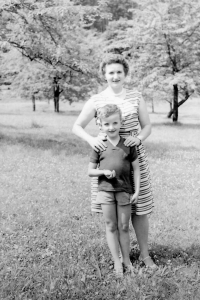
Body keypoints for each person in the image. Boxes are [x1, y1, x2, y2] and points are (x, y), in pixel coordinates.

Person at [72, 52, 156, 268]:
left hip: (133, 158)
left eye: (119, 72)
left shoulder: (136, 96)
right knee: (113, 214)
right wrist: (92, 141)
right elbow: (76, 126)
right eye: (111, 72)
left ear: (125, 73)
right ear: (104, 74)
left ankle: (145, 255)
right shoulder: (97, 99)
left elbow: (147, 126)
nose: (115, 76)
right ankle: (119, 259)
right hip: (108, 160)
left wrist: (138, 138)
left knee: (139, 207)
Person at [88, 104, 140, 276]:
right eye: (107, 124)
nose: (111, 127)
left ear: (121, 122)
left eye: (115, 123)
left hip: (124, 190)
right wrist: (103, 172)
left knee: (124, 226)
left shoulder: (129, 144)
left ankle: (126, 259)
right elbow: (90, 171)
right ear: (100, 125)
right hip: (105, 191)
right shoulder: (99, 145)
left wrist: (137, 191)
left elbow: (136, 169)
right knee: (111, 225)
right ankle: (117, 261)